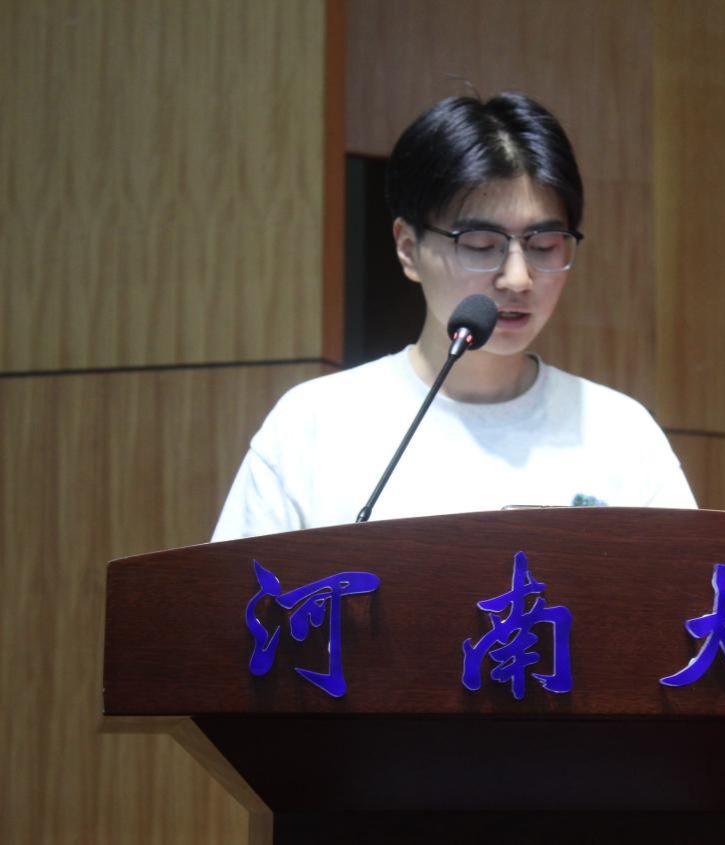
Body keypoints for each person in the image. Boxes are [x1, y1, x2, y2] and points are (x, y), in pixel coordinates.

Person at [212, 93, 696, 540]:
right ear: (408, 248)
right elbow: (234, 600)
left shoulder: (621, 433)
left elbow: (693, 592)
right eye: (481, 245)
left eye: (545, 245)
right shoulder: (314, 426)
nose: (517, 278)